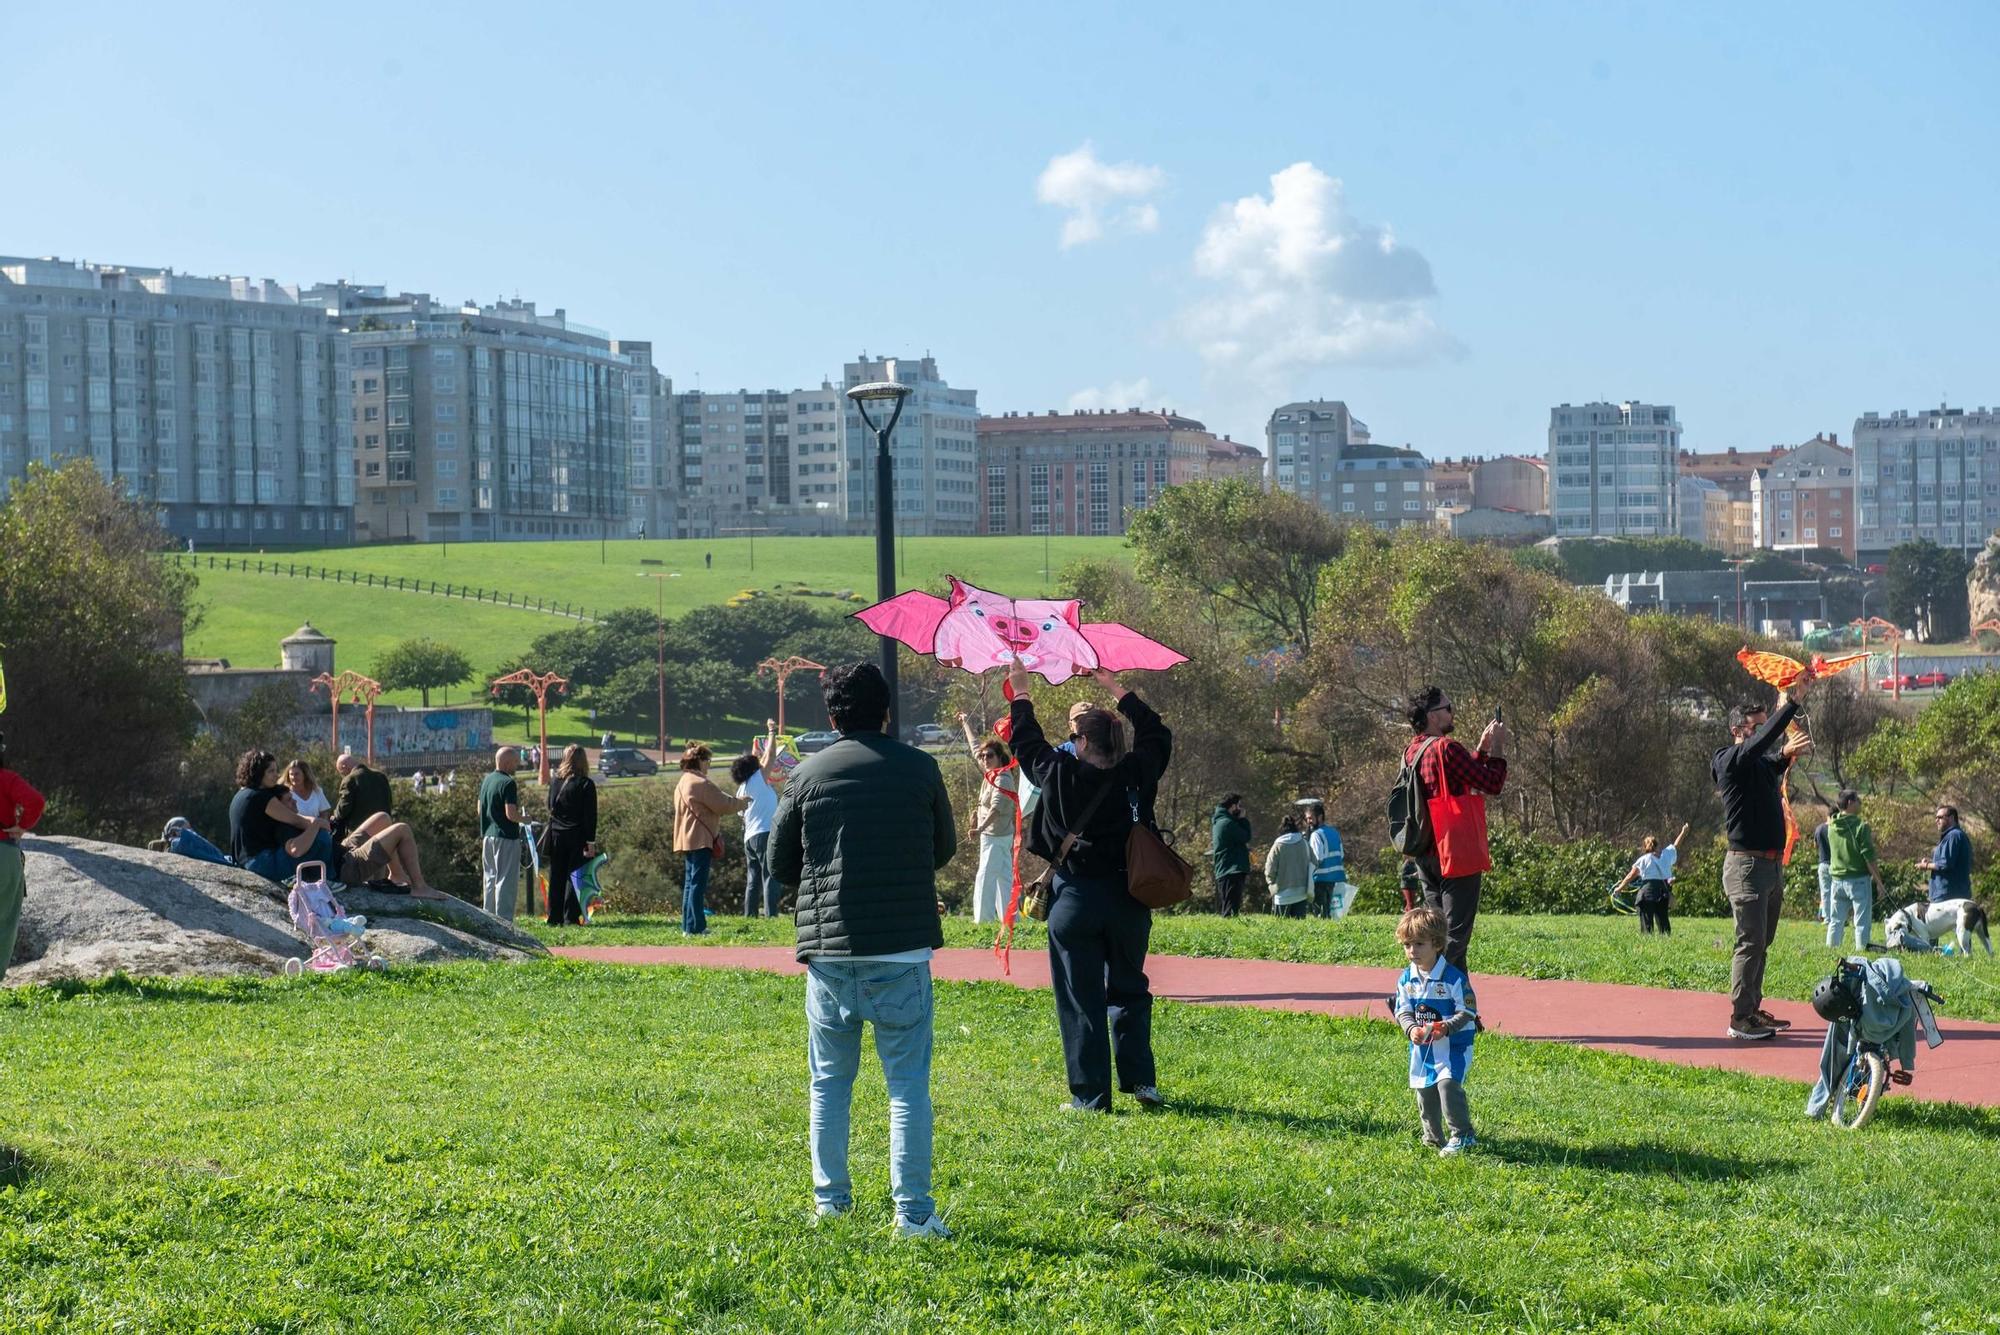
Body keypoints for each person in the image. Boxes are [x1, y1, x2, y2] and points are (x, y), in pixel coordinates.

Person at [768, 662, 956, 1238]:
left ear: (832, 718)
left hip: (828, 951)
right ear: (887, 711)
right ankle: (915, 1214)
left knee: (828, 1083)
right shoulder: (921, 768)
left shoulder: (807, 775)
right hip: (901, 951)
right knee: (906, 1086)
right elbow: (942, 848)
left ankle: (830, 1203)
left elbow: (779, 864)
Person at [1009, 657, 1173, 1113]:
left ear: (1081, 742)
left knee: (1080, 998)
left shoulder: (1060, 773)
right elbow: (1158, 733)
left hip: (1075, 897)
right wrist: (1115, 687)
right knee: (1130, 990)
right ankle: (1142, 1083)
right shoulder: (1137, 773)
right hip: (1128, 896)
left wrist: (1021, 690)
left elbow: (1025, 742)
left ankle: (1091, 1096)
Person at [1712, 684, 1814, 1041]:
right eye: (1754, 728)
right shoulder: (1728, 760)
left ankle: (1753, 1010)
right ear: (1737, 730)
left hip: (1769, 868)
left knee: (1761, 942)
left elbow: (1772, 758)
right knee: (1750, 941)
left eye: (1760, 726)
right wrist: (1790, 706)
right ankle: (1740, 1019)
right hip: (1747, 868)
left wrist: (1787, 752)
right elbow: (1759, 749)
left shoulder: (1757, 767)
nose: (1760, 734)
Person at [1402, 686, 1508, 974]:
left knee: (1435, 933)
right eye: (1448, 708)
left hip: (1425, 850)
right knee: (1452, 938)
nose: (1452, 712)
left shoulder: (1413, 750)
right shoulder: (1447, 748)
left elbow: (1459, 776)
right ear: (1433, 716)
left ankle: (1464, 1013)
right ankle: (1412, 992)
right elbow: (1492, 784)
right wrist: (1498, 747)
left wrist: (1481, 750)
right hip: (1455, 849)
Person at [1392, 906, 1479, 1155]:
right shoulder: (1406, 979)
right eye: (1407, 945)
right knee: (1425, 1089)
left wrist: (1446, 1027)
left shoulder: (1453, 978)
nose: (1412, 951)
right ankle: (1432, 1137)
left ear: (1437, 943)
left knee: (1447, 1085)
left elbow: (1468, 1012)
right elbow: (1402, 1010)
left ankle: (1463, 1135)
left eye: (1419, 944)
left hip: (1454, 1045)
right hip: (1424, 1048)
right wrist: (1410, 1030)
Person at [674, 743, 749, 935]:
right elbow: (723, 804)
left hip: (686, 839)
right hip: (700, 839)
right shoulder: (700, 783)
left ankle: (687, 927)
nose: (709, 764)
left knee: (690, 884)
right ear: (699, 760)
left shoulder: (683, 781)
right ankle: (698, 927)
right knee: (698, 885)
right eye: (707, 760)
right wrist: (743, 803)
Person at [229, 749, 336, 884]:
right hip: (261, 863)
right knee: (321, 837)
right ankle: (326, 880)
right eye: (271, 771)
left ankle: (308, 878)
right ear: (258, 773)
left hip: (244, 861)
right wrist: (319, 823)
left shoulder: (241, 794)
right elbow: (295, 819)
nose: (276, 775)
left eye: (276, 770)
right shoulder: (261, 797)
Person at [959, 711, 1020, 924]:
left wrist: (980, 828)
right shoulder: (990, 773)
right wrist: (965, 722)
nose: (985, 759)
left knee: (985, 876)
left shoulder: (1002, 778)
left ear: (999, 757)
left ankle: (982, 920)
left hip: (996, 835)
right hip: (994, 835)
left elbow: (996, 809)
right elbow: (975, 746)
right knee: (1003, 878)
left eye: (989, 756)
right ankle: (1010, 919)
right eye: (984, 757)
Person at [0, 732, 47, 984]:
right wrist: (23, 825)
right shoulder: (7, 779)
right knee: (5, 920)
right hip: (4, 854)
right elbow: (35, 801)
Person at [733, 720, 790, 918]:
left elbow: (765, 758)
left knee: (753, 879)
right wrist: (772, 731)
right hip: (765, 833)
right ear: (754, 768)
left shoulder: (743, 787)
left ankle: (750, 915)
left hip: (749, 837)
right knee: (770, 875)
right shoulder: (759, 778)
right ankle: (771, 914)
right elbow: (771, 755)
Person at [542, 744, 598, 927]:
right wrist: (591, 841)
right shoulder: (586, 784)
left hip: (556, 834)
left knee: (556, 875)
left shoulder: (555, 781)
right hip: (577, 835)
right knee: (575, 876)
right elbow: (590, 816)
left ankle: (553, 916)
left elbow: (550, 805)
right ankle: (570, 917)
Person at [1824, 790, 1886, 951]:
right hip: (1858, 880)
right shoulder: (1861, 826)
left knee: (1836, 920)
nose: (1860, 802)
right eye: (1858, 800)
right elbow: (1869, 857)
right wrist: (1879, 883)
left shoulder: (1831, 826)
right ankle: (1861, 951)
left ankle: (1831, 950)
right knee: (1861, 921)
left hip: (1837, 880)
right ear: (1850, 803)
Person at [1612, 824, 1689, 935]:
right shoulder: (1666, 854)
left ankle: (1648, 945)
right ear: (1657, 846)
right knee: (1663, 923)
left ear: (1645, 847)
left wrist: (1619, 889)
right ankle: (1666, 943)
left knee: (1646, 927)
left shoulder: (1643, 860)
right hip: (1662, 892)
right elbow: (1676, 845)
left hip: (1646, 893)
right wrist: (1683, 831)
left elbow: (1630, 876)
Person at [479, 747, 526, 920]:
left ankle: (488, 918)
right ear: (507, 762)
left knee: (490, 879)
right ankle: (504, 921)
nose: (516, 765)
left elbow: (479, 809)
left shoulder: (487, 780)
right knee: (505, 880)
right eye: (515, 762)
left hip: (488, 835)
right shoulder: (508, 782)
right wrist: (525, 819)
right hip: (506, 836)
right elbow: (511, 814)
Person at [1917, 805, 1973, 905]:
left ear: (1951, 818)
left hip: (1950, 896)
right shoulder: (1951, 836)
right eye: (1936, 818)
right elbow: (1946, 861)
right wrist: (1931, 862)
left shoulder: (1954, 835)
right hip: (1948, 895)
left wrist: (1926, 866)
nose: (1936, 821)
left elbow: (1945, 864)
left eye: (1940, 817)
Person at [331, 753, 393, 841]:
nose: (342, 776)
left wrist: (334, 815)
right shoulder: (380, 776)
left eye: (341, 772)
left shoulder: (350, 779)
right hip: (384, 831)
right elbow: (389, 802)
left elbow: (343, 809)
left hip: (360, 834)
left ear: (344, 767)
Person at [1209, 793, 1251, 918]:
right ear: (1233, 807)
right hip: (1231, 869)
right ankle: (1228, 933)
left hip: (1228, 868)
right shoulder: (1227, 823)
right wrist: (1243, 819)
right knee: (1231, 909)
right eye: (1239, 805)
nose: (1241, 809)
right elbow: (1245, 836)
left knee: (1230, 905)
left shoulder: (1222, 821)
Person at [1304, 803, 1349, 918]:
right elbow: (1341, 855)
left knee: (1321, 916)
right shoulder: (1334, 832)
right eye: (1307, 818)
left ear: (1319, 817)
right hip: (1337, 879)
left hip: (1320, 881)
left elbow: (1316, 858)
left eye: (1311, 818)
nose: (1308, 821)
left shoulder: (1316, 835)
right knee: (1335, 916)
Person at [1263, 815, 1312, 919]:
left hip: (1282, 895)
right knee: (1299, 930)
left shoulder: (1278, 845)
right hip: (1301, 893)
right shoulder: (1304, 843)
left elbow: (1270, 869)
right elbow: (1314, 862)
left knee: (1282, 929)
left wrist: (1271, 885)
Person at [284, 759, 332, 824]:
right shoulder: (286, 793)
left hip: (317, 830)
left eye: (297, 774)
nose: (293, 777)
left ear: (305, 774)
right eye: (291, 774)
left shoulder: (317, 791)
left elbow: (324, 813)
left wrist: (320, 827)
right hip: (295, 832)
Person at [1814, 814, 1835, 923]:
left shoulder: (1819, 829)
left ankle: (1826, 918)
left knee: (1825, 892)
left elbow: (1815, 845)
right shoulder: (1835, 829)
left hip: (1822, 863)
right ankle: (1836, 917)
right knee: (1836, 893)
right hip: (1835, 864)